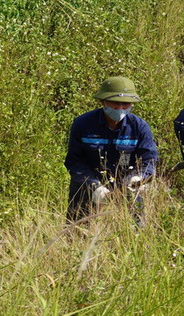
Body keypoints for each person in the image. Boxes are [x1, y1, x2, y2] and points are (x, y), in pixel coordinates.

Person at [65, 75, 160, 222]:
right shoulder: (82, 124)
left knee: (135, 230)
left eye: (125, 104)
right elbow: (74, 161)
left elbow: (149, 159)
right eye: (115, 103)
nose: (120, 108)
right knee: (78, 229)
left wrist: (138, 177)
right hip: (88, 184)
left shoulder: (139, 127)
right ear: (103, 101)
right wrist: (93, 185)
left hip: (128, 186)